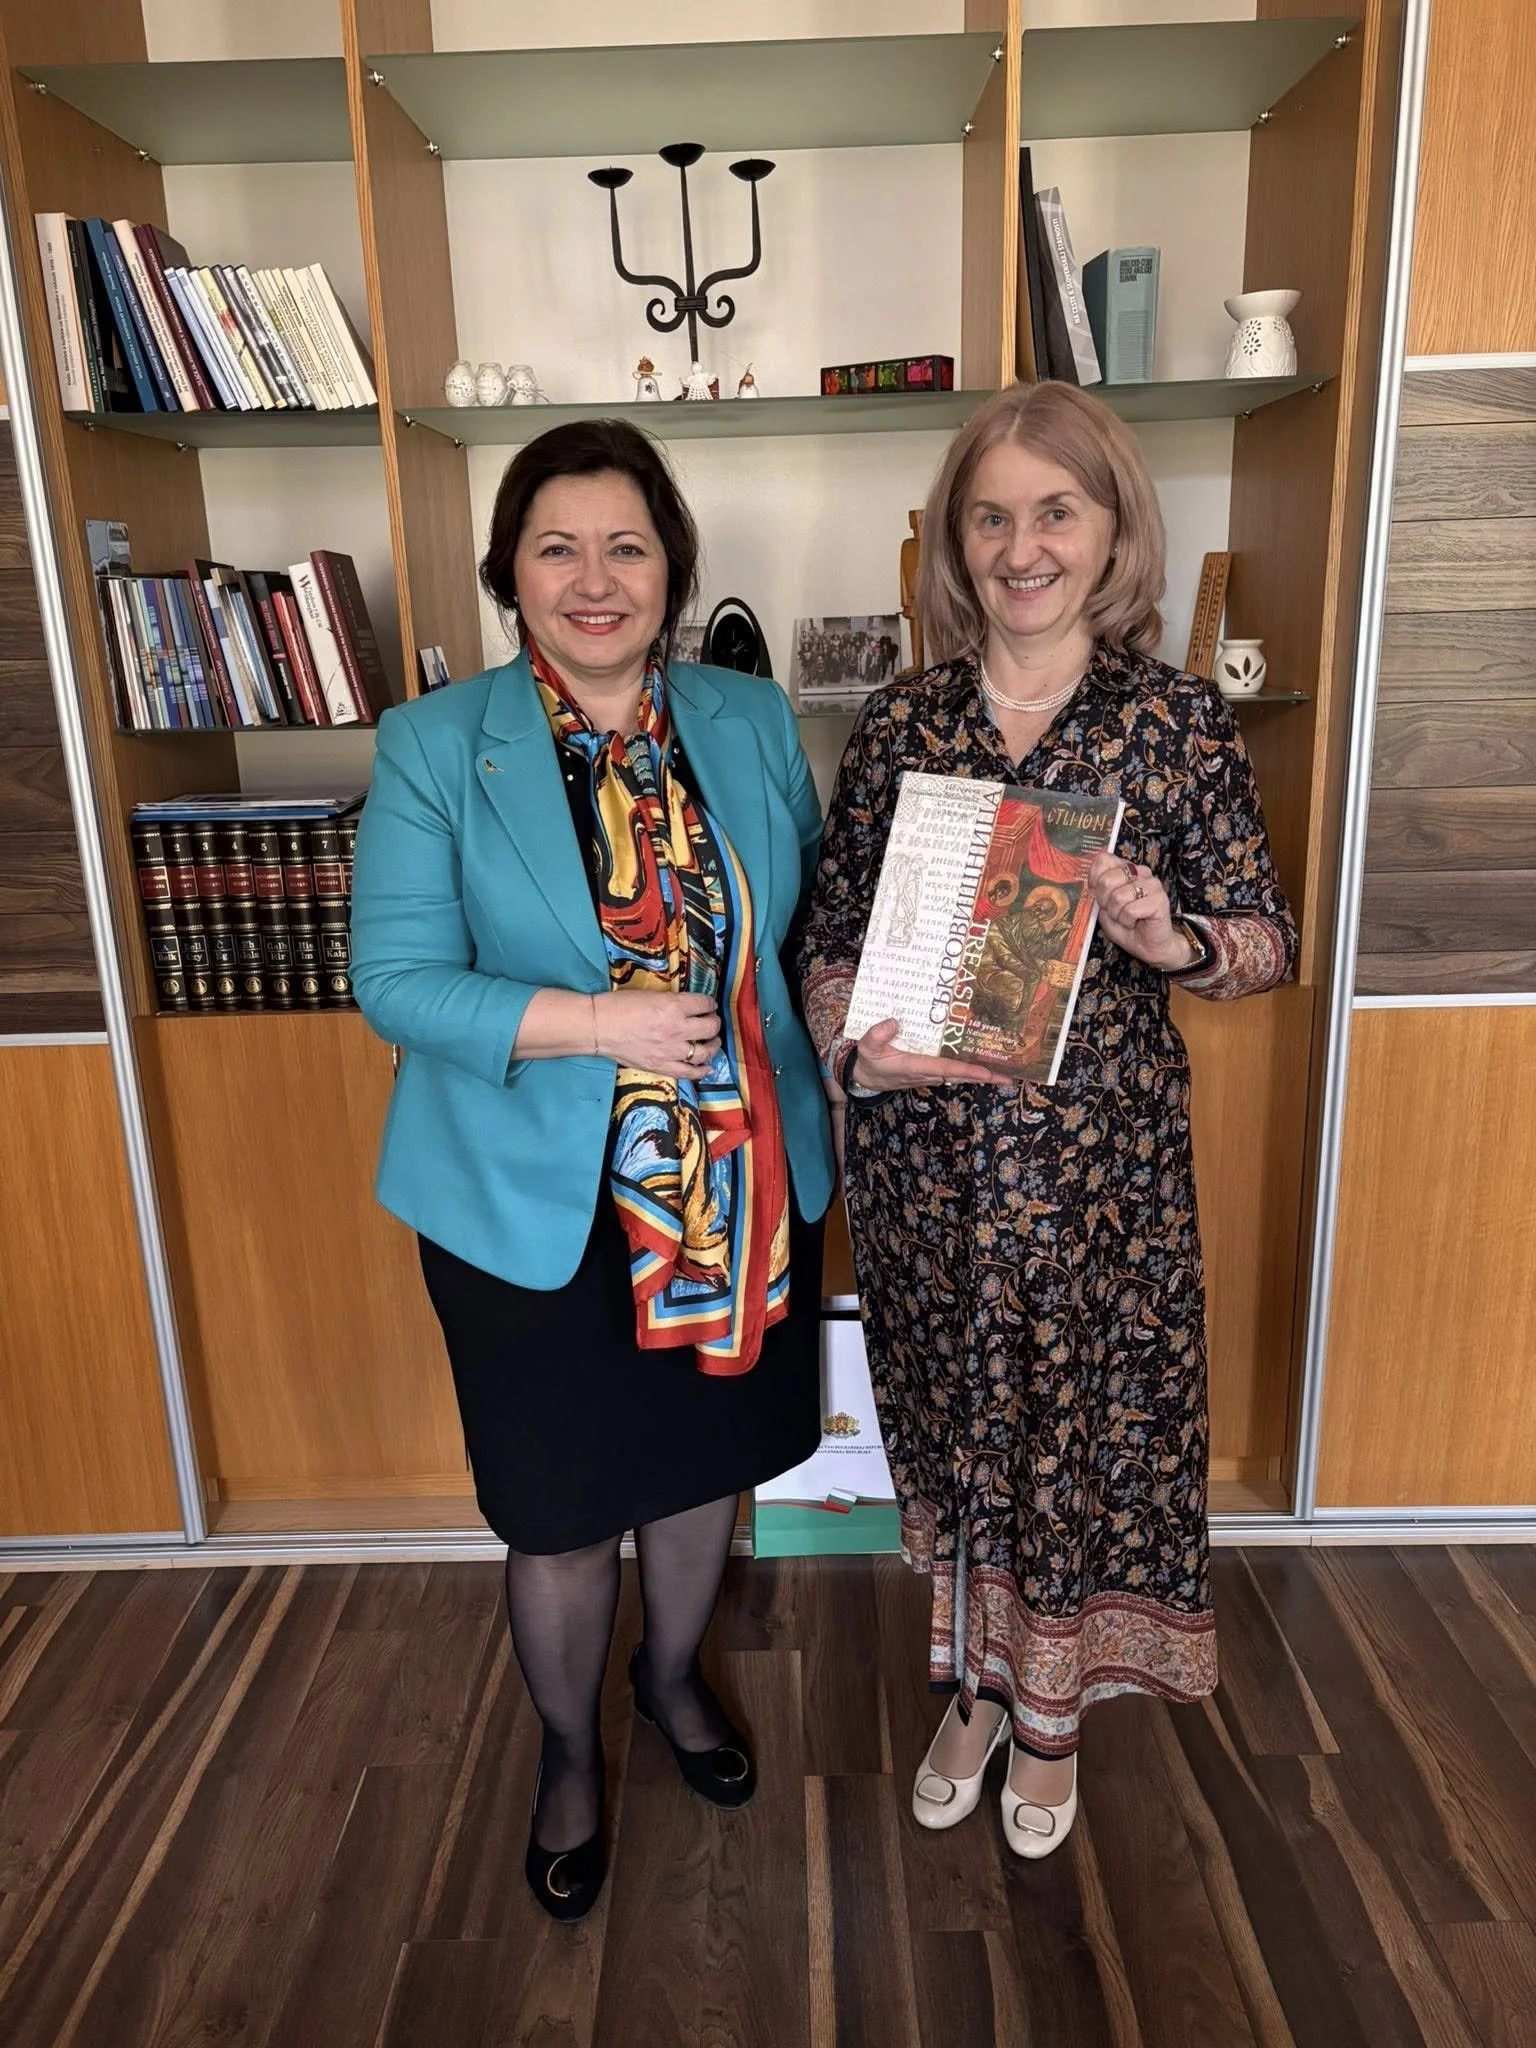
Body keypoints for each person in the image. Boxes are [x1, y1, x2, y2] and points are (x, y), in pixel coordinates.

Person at [799, 382, 1296, 1859]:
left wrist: (1166, 937)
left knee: (1074, 1442)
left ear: (1111, 528)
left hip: (1102, 1178)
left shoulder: (1175, 722)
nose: (1023, 548)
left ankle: (1053, 1718)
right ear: (958, 540)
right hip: (928, 1173)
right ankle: (971, 1692)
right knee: (958, 1431)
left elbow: (1265, 943)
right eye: (992, 517)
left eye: (1055, 513)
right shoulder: (903, 721)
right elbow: (830, 941)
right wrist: (858, 1055)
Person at [350, 419, 835, 1921]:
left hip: (737, 1194)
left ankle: (671, 1680)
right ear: (510, 571)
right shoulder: (438, 742)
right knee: (560, 1515)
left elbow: (806, 929)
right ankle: (568, 1756)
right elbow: (394, 981)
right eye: (557, 548)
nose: (595, 578)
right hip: (531, 1213)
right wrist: (596, 1021)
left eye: (628, 545)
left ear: (672, 568)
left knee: (694, 1480)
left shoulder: (748, 719)